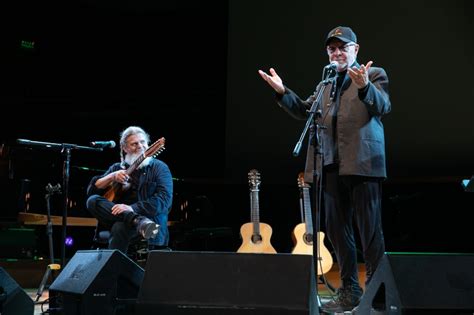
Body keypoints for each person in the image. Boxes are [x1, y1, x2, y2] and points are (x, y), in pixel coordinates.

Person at [258, 26, 390, 312]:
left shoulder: (374, 73)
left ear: (356, 49)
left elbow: (383, 106)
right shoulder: (325, 85)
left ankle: (379, 294)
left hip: (363, 164)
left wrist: (365, 85)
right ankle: (350, 291)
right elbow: (307, 113)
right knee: (337, 232)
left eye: (343, 47)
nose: (337, 52)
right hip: (329, 166)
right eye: (332, 48)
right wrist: (283, 92)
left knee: (370, 232)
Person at [86, 126, 173, 254]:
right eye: (134, 144)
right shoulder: (117, 167)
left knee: (119, 227)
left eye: (143, 142)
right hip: (126, 220)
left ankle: (114, 271)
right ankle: (136, 220)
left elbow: (164, 201)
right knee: (92, 200)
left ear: (149, 145)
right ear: (125, 148)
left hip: (151, 224)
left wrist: (132, 208)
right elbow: (92, 192)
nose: (140, 146)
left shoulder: (159, 168)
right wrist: (112, 176)